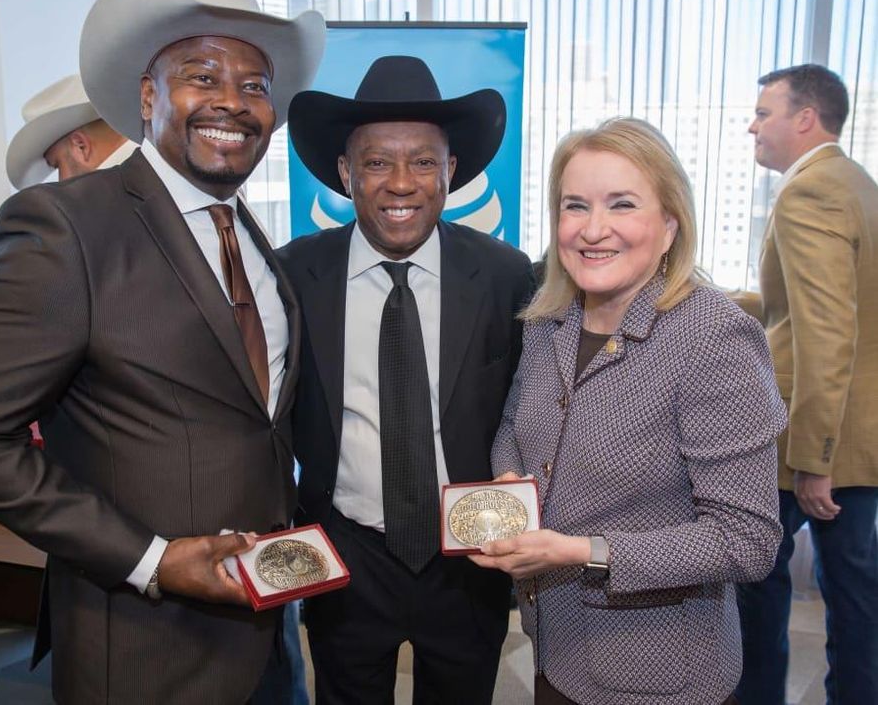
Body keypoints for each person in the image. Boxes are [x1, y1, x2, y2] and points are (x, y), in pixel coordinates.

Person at [0, 0, 325, 704]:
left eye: (255, 84)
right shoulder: (65, 226)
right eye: (203, 76)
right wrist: (153, 560)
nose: (232, 100)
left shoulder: (256, 241)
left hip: (266, 627)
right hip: (146, 643)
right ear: (148, 97)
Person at [472, 117, 786, 705]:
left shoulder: (715, 339)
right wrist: (510, 482)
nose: (593, 230)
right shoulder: (550, 318)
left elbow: (747, 541)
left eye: (621, 204)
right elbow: (515, 426)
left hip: (658, 671)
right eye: (575, 206)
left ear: (669, 225)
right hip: (556, 648)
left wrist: (578, 551)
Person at [277, 55, 535, 704]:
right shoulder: (293, 276)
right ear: (344, 173)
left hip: (468, 560)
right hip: (346, 554)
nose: (401, 183)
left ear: (449, 172)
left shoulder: (506, 275)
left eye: (423, 161)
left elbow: (529, 407)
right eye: (375, 162)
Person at [735, 64, 878, 705]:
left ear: (804, 118)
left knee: (752, 569)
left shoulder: (807, 194)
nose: (753, 125)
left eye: (764, 113)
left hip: (815, 438)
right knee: (852, 587)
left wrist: (814, 462)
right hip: (859, 428)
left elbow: (825, 332)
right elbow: (805, 309)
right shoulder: (856, 183)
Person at [5, 74, 134, 189]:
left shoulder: (105, 204)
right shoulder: (145, 175)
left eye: (57, 165)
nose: (60, 180)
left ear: (81, 146)